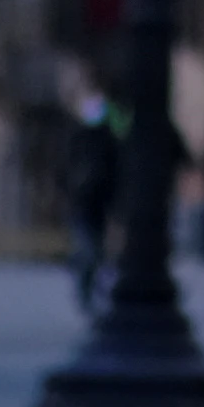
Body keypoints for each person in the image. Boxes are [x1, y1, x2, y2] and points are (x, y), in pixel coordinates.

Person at [63, 99, 121, 302]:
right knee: (89, 250)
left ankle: (89, 289)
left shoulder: (106, 142)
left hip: (97, 206)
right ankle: (86, 289)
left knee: (94, 251)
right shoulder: (82, 140)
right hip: (86, 205)